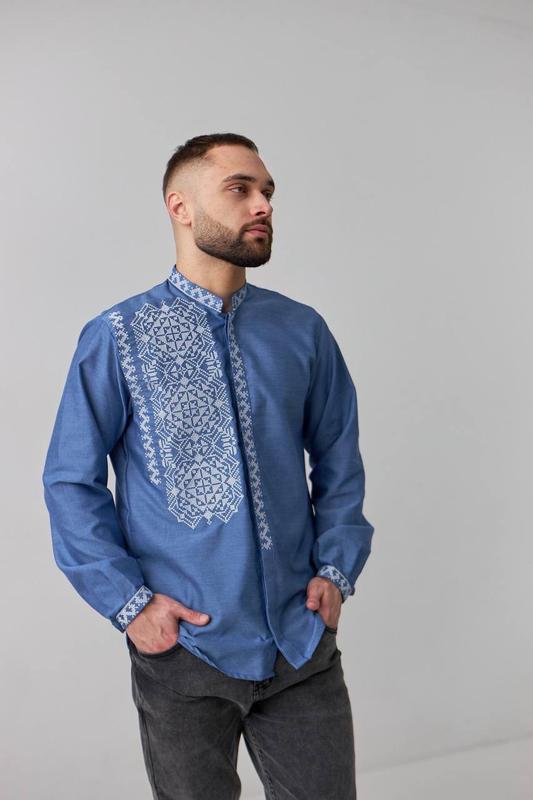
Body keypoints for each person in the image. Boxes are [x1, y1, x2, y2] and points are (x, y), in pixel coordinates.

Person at [42, 132, 375, 799]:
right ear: (181, 207)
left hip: (299, 643)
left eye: (267, 191)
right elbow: (71, 482)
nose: (263, 205)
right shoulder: (117, 336)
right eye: (239, 189)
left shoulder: (301, 330)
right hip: (184, 652)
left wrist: (336, 571)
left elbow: (339, 460)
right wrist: (131, 605)